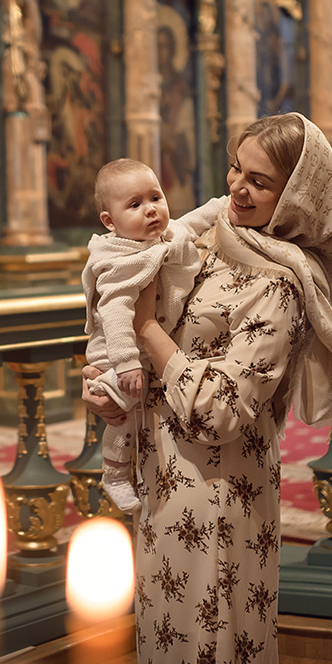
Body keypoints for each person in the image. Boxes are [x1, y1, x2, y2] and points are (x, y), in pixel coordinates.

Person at [82, 113, 332, 664]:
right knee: (168, 655)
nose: (236, 187)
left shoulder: (281, 283)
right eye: (236, 168)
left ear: (293, 195)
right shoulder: (204, 240)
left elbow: (217, 410)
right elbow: (119, 314)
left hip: (220, 503)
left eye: (259, 181)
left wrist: (148, 331)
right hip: (163, 488)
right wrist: (109, 388)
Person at [82, 160, 223, 513]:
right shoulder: (119, 260)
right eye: (135, 205)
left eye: (156, 197)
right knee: (122, 412)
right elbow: (114, 313)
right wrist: (127, 363)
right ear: (109, 222)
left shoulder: (164, 236)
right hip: (116, 355)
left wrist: (220, 205)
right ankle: (113, 474)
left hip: (146, 354)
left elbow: (190, 222)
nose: (151, 210)